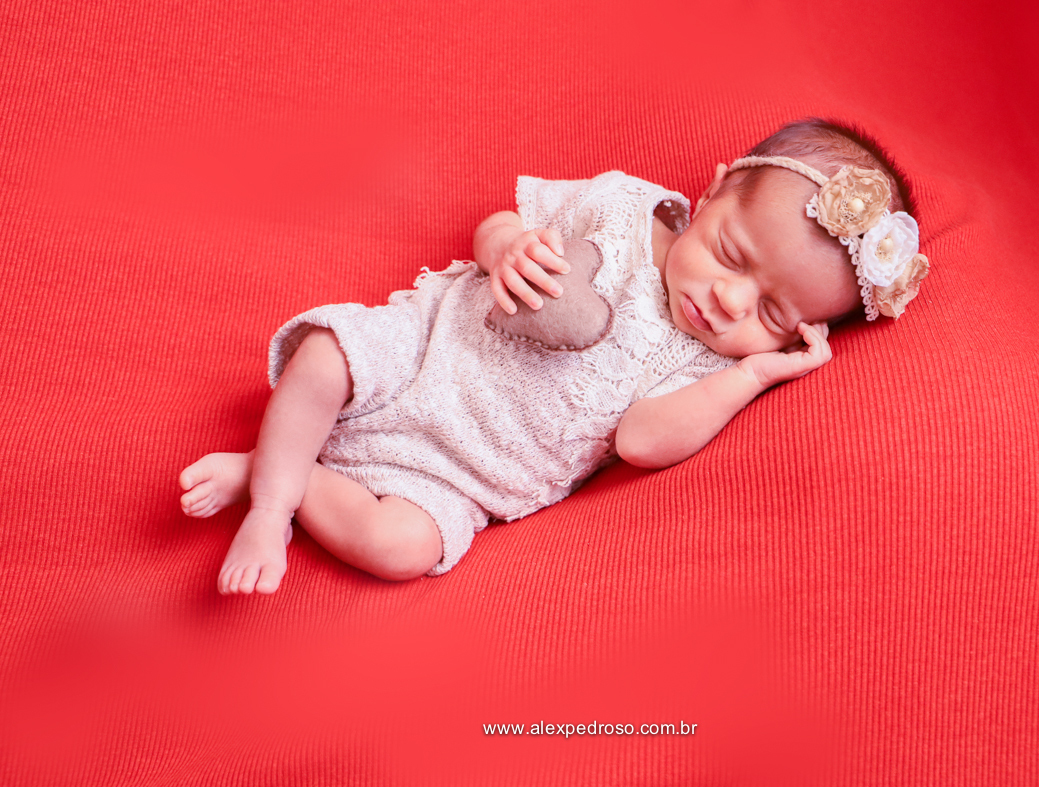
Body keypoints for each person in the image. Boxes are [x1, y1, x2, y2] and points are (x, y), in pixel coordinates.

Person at [178, 117, 930, 594]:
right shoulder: (626, 206)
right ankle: (272, 505)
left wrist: (754, 372)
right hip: (429, 348)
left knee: (399, 548)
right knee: (326, 360)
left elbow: (638, 441)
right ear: (711, 194)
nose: (729, 302)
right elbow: (504, 221)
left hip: (467, 471)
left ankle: (282, 471)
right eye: (730, 254)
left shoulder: (711, 366)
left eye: (771, 313)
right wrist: (504, 246)